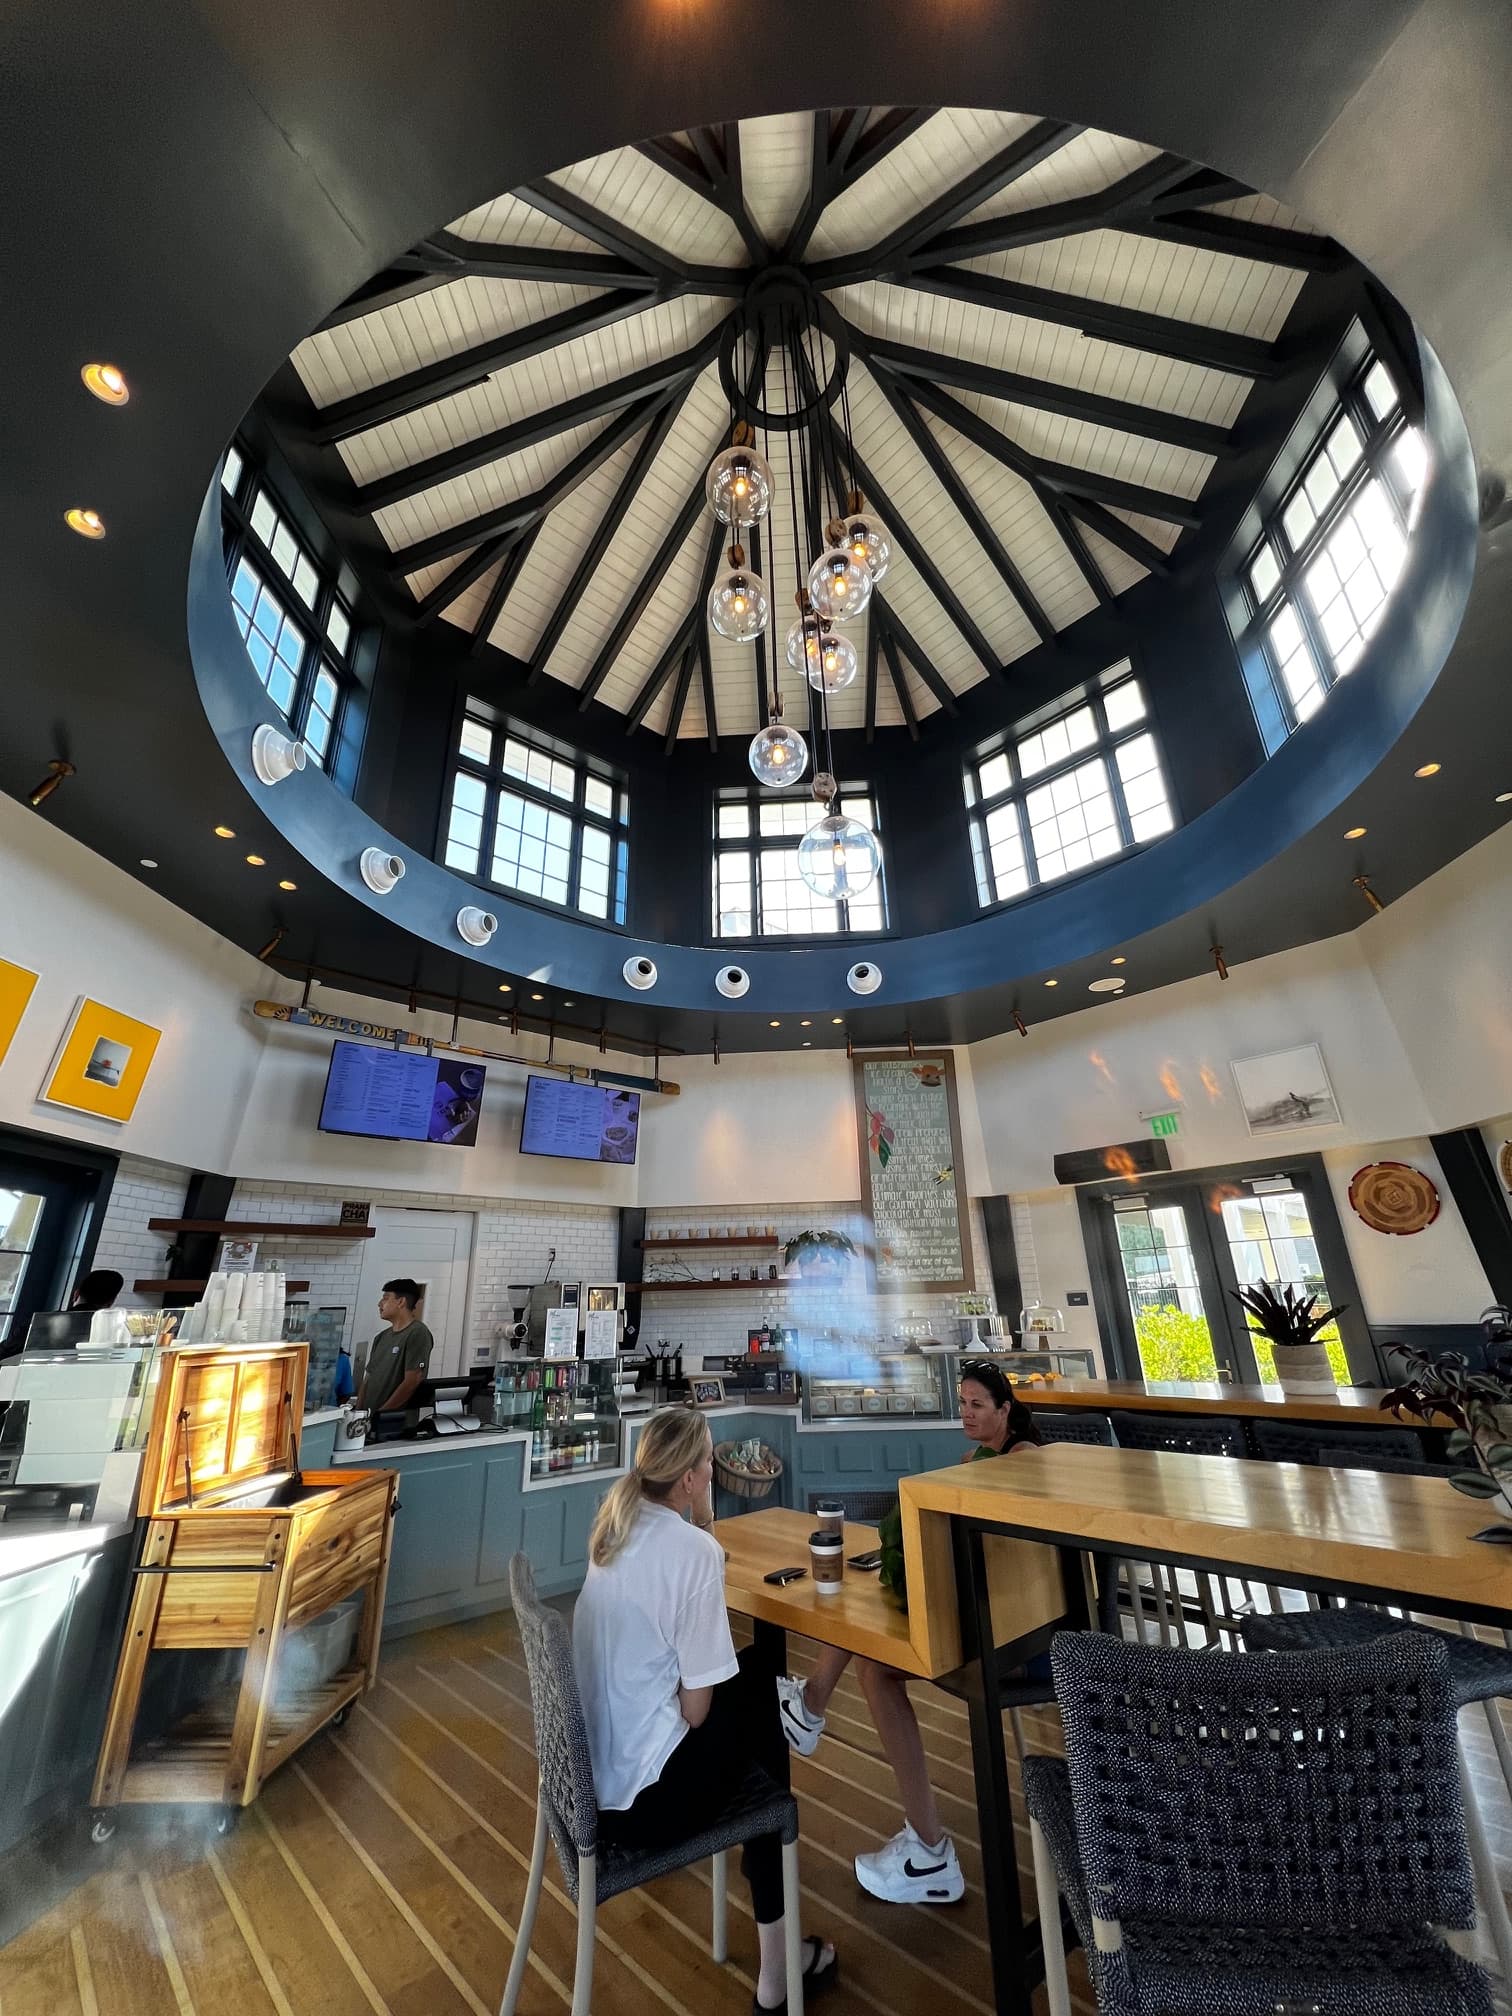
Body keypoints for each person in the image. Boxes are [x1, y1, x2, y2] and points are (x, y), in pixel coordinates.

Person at [573, 1408, 837, 2011]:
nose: (714, 1469)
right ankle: (777, 1967)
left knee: (755, 1680)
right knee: (762, 1701)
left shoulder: (613, 1528)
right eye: (709, 1461)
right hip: (646, 1805)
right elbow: (696, 1712)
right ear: (691, 1478)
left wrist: (704, 1519)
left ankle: (791, 1721)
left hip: (595, 1784)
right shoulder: (692, 1554)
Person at [777, 1359, 1042, 1906]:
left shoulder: (1021, 1460)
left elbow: (1005, 1556)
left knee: (874, 1657)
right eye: (962, 1403)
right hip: (984, 1616)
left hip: (1015, 1633)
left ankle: (813, 1709)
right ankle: (812, 1709)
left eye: (978, 1404)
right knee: (870, 1615)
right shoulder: (975, 1460)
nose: (966, 1413)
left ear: (1006, 1410)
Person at [355, 1279, 434, 1416]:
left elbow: (412, 1380)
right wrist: (358, 1413)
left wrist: (381, 1415)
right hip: (367, 1420)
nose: (380, 1304)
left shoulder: (417, 1333)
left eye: (385, 1298)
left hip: (394, 1422)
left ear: (401, 1302)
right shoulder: (380, 1338)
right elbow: (368, 1378)